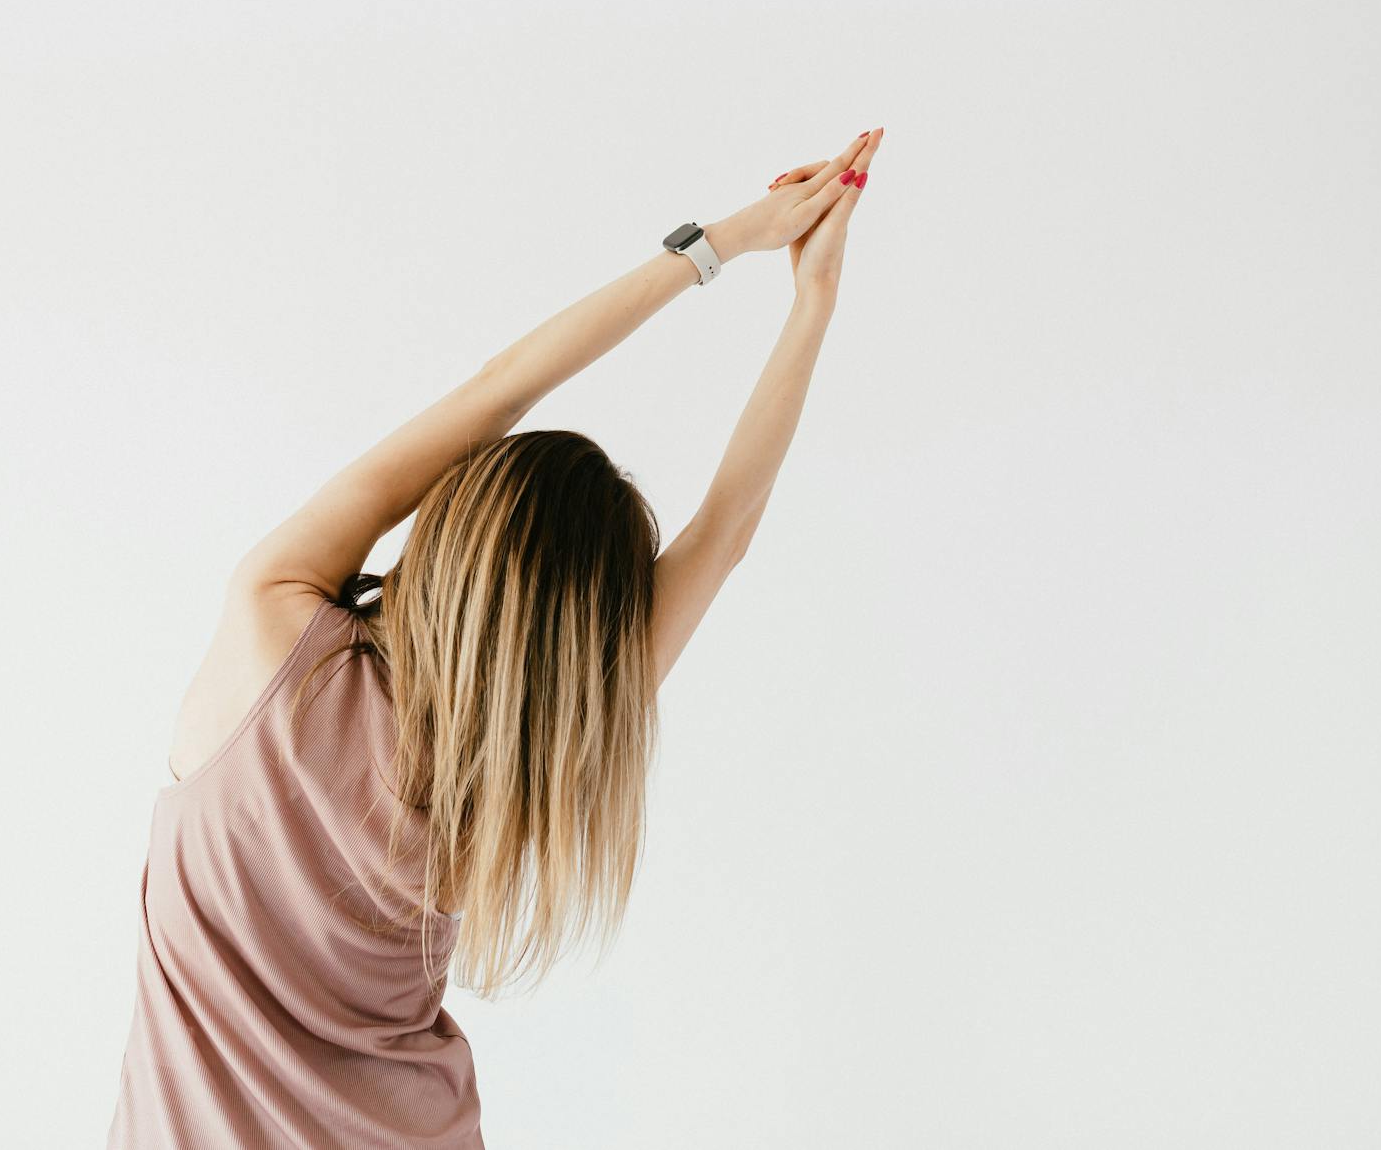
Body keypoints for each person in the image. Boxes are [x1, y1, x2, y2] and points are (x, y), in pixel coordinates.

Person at [106, 126, 883, 1149]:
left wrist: (723, 242)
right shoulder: (522, 764)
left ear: (453, 520)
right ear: (587, 636)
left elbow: (496, 388)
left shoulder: (271, 627)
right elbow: (722, 534)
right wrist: (812, 302)